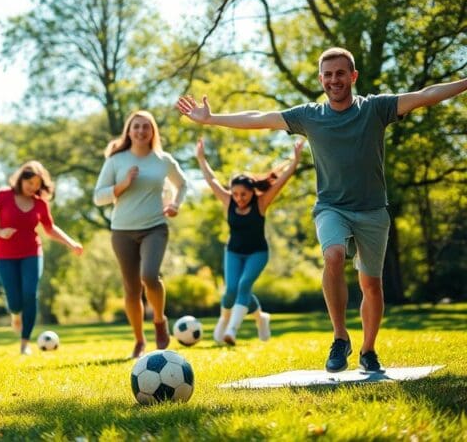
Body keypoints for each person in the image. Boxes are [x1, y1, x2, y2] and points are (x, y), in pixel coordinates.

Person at [177, 47, 467, 373]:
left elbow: (425, 95)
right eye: (327, 75)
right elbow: (262, 118)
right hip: (331, 207)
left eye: (340, 73)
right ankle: (340, 337)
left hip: (373, 211)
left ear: (352, 76)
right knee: (332, 255)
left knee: (371, 285)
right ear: (321, 79)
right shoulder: (310, 115)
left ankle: (368, 350)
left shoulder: (375, 108)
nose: (334, 80)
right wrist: (213, 119)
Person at [93, 110, 188, 359]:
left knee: (149, 276)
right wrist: (122, 185)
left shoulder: (163, 160)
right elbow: (98, 197)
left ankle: (159, 320)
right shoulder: (116, 160)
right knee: (132, 289)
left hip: (155, 227)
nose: (141, 131)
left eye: (146, 127)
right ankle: (138, 340)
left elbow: (183, 184)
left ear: (152, 131)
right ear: (129, 131)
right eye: (136, 127)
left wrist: (175, 204)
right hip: (122, 231)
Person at [196, 138, 304, 346]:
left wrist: (295, 161)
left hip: (257, 253)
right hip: (233, 252)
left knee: (244, 284)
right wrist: (201, 159)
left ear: (252, 191)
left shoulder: (261, 203)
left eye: (243, 194)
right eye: (235, 194)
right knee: (231, 290)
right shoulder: (228, 201)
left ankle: (232, 331)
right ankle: (255, 318)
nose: (239, 198)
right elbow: (211, 181)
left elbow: (281, 181)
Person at [0, 161, 83, 356]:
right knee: (15, 301)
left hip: (32, 253)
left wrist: (71, 243)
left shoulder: (40, 203)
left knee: (30, 294)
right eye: (29, 182)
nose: (32, 187)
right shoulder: (4, 196)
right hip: (5, 256)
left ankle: (24, 344)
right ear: (21, 179)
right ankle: (16, 315)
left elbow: (50, 228)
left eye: (36, 184)